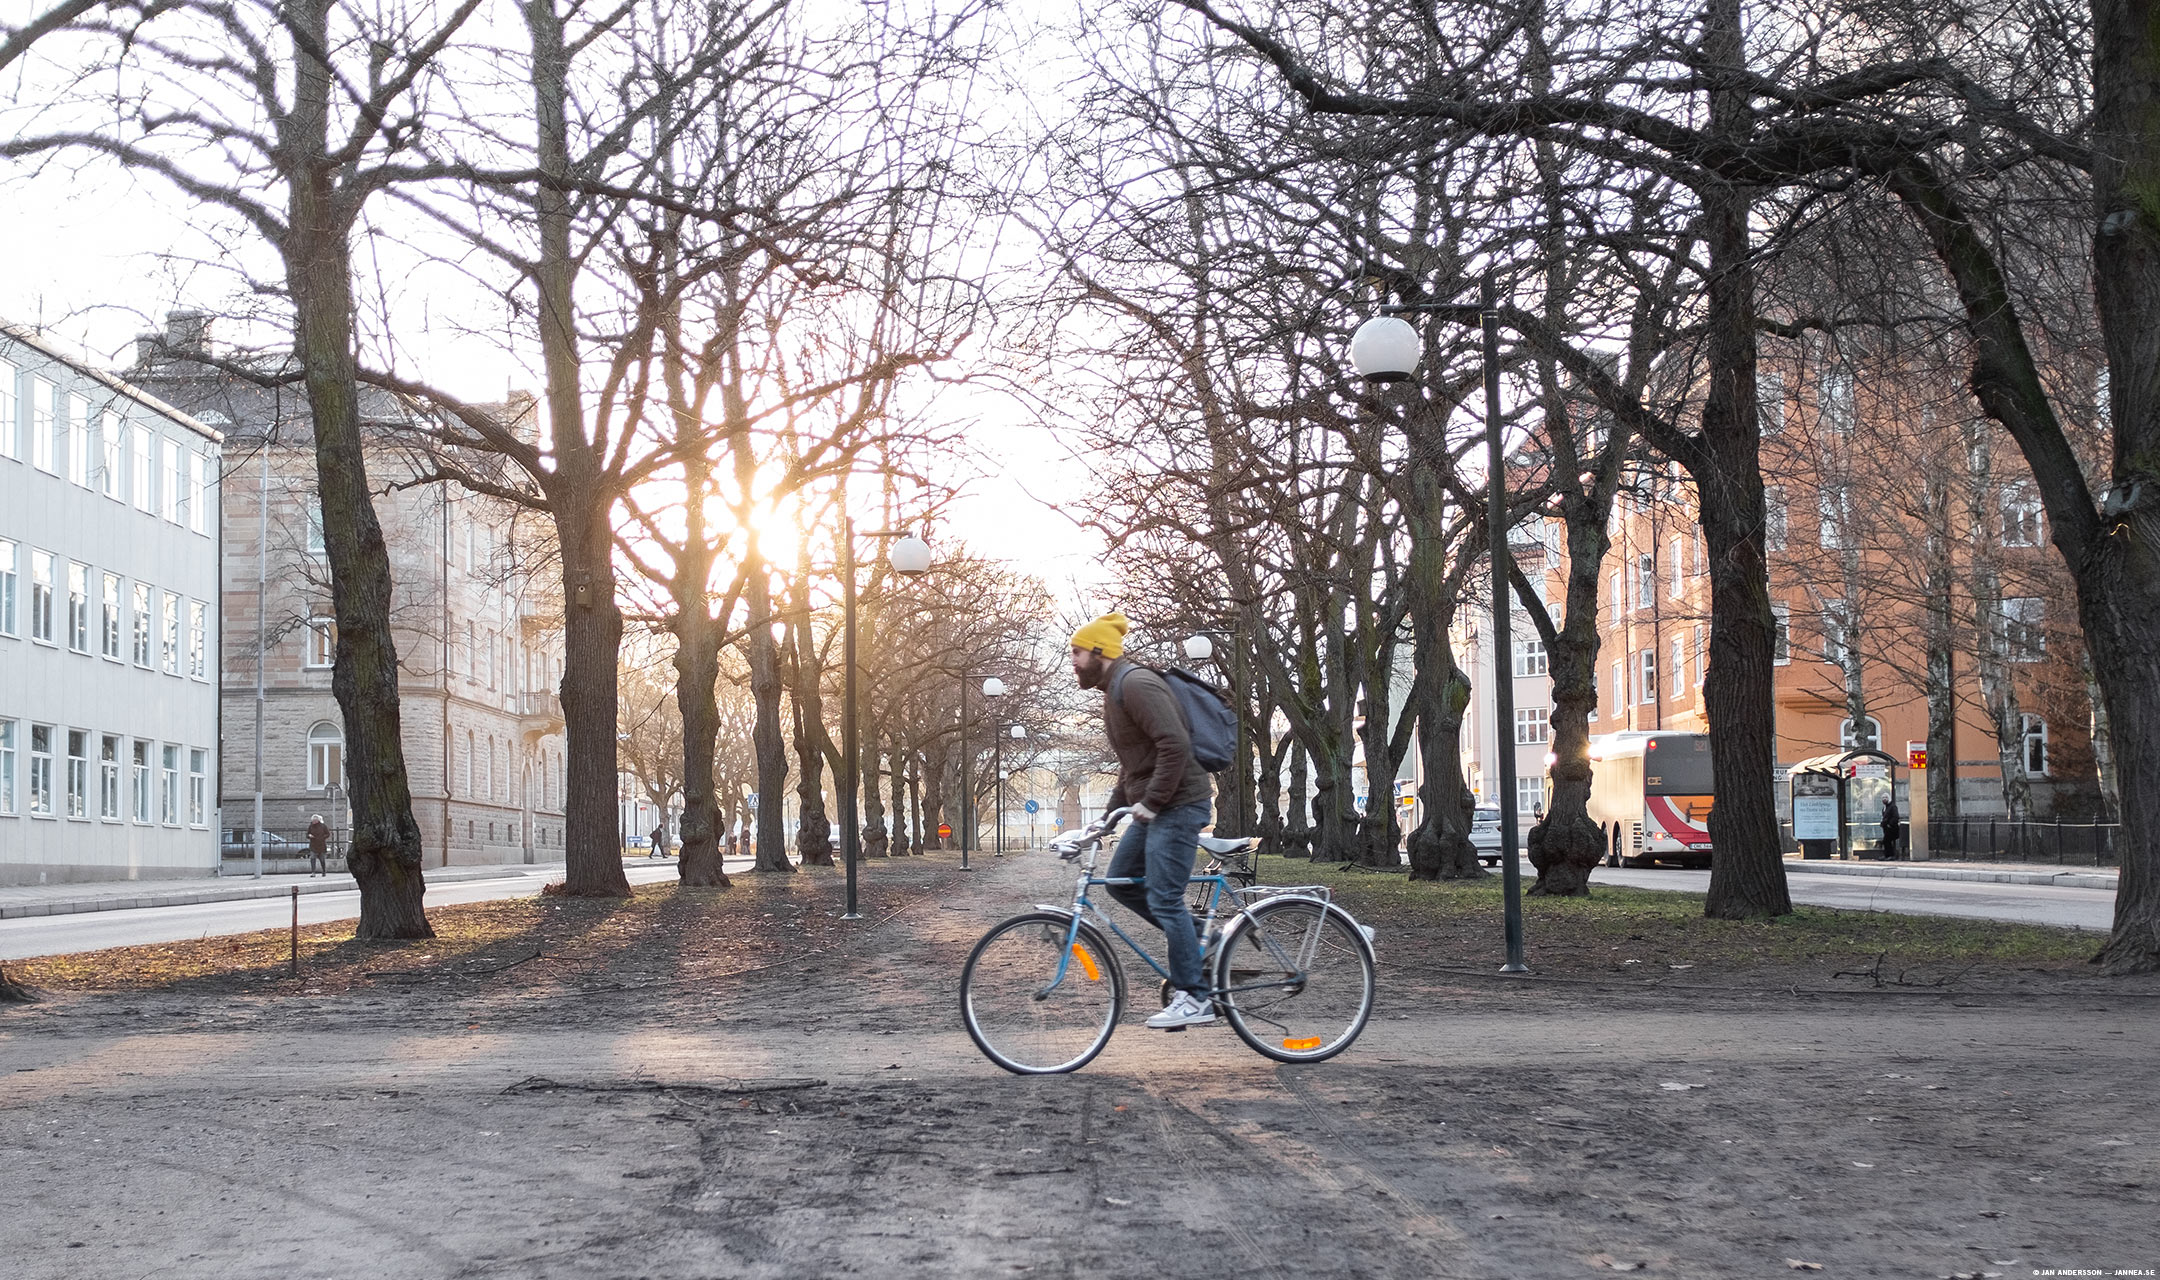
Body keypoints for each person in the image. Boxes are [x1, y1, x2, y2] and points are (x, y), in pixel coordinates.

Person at [1070, 612, 1216, 1030]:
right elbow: (1134, 766)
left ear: (1100, 652)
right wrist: (1106, 820)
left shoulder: (1135, 684)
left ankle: (1195, 997)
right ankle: (1202, 934)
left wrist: (1150, 803)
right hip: (1159, 804)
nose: (1073, 663)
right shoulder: (1115, 689)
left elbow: (1174, 743)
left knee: (1164, 897)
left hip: (1178, 804)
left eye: (1077, 653)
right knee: (1119, 881)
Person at [1880, 795, 1903, 861]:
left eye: (1886, 798)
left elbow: (1896, 817)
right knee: (1886, 841)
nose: (1884, 799)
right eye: (1883, 798)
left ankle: (1890, 855)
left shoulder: (1893, 807)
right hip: (1887, 828)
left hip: (1892, 828)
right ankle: (1888, 855)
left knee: (1886, 841)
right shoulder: (1884, 808)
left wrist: (1890, 824)